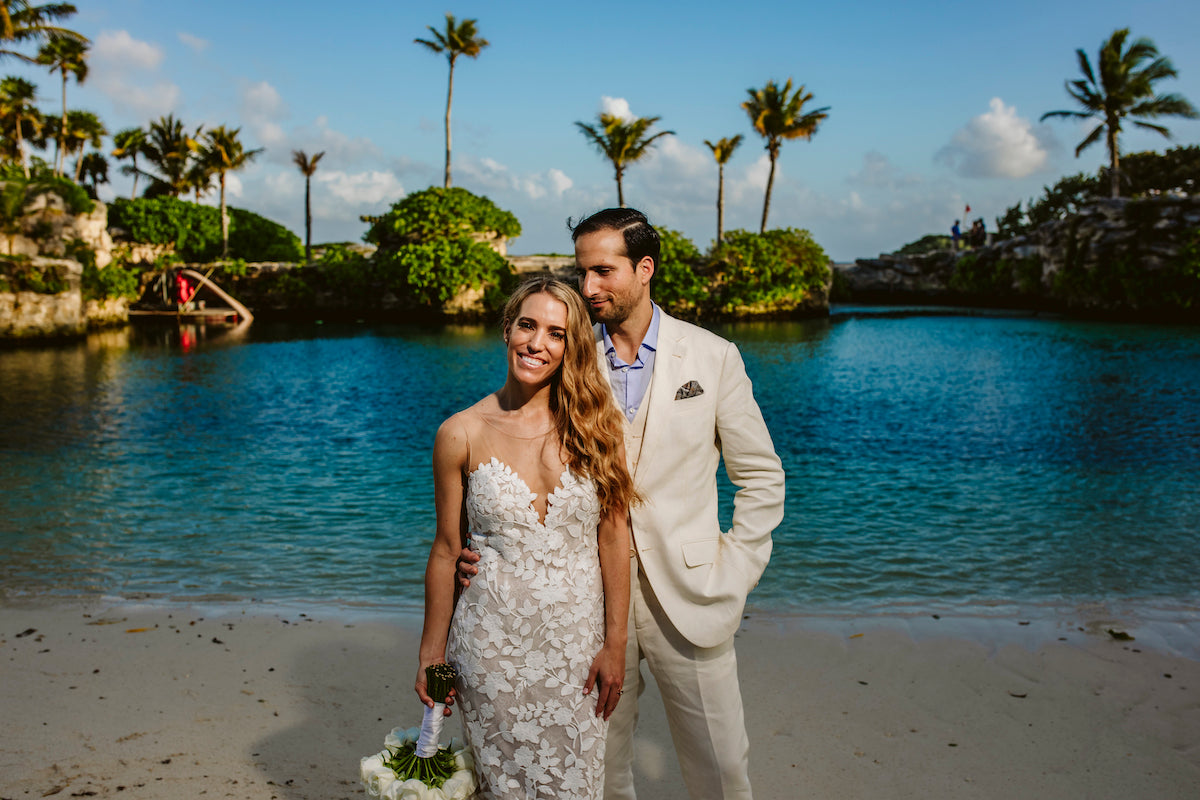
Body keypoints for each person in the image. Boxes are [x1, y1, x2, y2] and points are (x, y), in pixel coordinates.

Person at [460, 208, 786, 799]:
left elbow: (761, 478)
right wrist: (483, 548)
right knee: (601, 770)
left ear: (645, 268)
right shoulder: (565, 357)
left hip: (691, 596)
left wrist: (737, 570)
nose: (589, 288)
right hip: (585, 604)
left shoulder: (713, 357)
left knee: (721, 767)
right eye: (582, 273)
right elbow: (504, 449)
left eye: (603, 272)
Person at [417, 277, 637, 799]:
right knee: (502, 788)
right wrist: (431, 656)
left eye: (556, 334)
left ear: (571, 348)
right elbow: (449, 549)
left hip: (577, 654)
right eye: (528, 325)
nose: (538, 343)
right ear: (507, 330)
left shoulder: (598, 428)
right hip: (490, 649)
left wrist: (616, 644)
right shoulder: (459, 432)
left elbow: (614, 537)